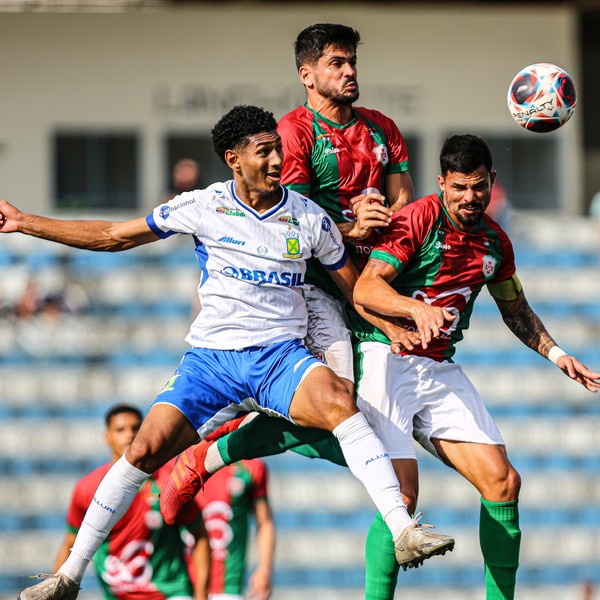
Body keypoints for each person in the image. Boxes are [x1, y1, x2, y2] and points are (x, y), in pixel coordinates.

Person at [4, 104, 453, 600]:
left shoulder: (310, 218)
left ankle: (403, 531)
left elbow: (355, 290)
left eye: (278, 148)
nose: (277, 159)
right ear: (233, 158)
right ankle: (67, 576)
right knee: (144, 451)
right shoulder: (202, 205)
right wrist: (25, 221)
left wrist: (395, 323)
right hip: (211, 361)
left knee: (338, 404)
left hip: (279, 358)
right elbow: (114, 237)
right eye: (264, 151)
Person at [351, 134, 600, 599]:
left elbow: (515, 309)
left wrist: (557, 353)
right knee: (401, 501)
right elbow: (366, 289)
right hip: (386, 358)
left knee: (503, 482)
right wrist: (415, 309)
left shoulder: (495, 241)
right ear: (441, 182)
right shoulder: (418, 219)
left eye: (479, 187)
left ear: (492, 182)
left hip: (438, 367)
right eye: (460, 187)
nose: (470, 198)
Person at [53, 404, 210, 600]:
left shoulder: (170, 479)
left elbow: (200, 535)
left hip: (170, 594)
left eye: (136, 428)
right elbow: (70, 543)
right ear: (107, 437)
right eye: (120, 430)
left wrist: (201, 595)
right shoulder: (87, 488)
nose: (129, 435)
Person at [191, 459, 274, 600]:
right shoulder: (177, 463)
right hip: (182, 588)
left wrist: (264, 569)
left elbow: (264, 522)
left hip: (228, 588)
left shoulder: (250, 466)